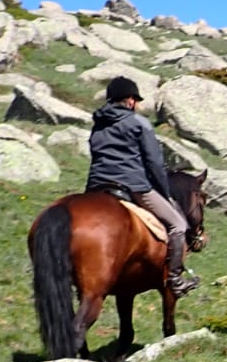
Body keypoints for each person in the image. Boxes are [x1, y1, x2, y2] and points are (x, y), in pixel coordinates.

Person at [85, 77, 199, 296]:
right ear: (130, 100)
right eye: (136, 101)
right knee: (178, 224)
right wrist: (165, 193)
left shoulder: (98, 125)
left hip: (96, 186)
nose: (137, 105)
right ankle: (175, 279)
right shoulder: (139, 123)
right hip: (132, 185)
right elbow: (154, 163)